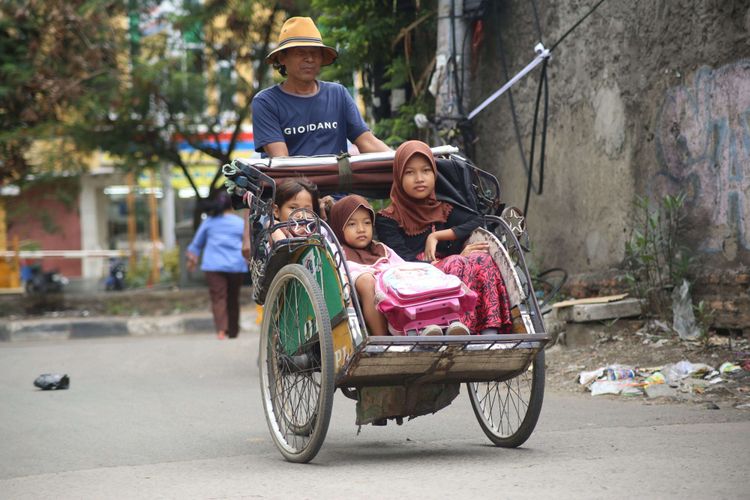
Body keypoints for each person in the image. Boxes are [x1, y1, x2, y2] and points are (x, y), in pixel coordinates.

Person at [375, 140, 513, 334]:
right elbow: (402, 260)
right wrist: (449, 260)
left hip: (454, 267)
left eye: (426, 171)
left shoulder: (443, 208)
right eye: (409, 172)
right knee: (457, 261)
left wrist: (437, 236)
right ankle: (457, 328)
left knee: (482, 258)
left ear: (434, 173)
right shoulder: (387, 218)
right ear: (398, 176)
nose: (419, 178)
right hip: (413, 278)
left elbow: (476, 219)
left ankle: (489, 331)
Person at [252, 16, 390, 158]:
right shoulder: (266, 102)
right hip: (290, 180)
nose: (310, 59)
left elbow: (367, 142)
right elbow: (281, 160)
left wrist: (401, 160)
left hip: (338, 180)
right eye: (301, 53)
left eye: (314, 53)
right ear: (282, 58)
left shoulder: (338, 94)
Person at [328, 195, 404, 336]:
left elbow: (404, 268)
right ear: (339, 227)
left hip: (392, 290)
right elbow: (336, 279)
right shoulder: (335, 251)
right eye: (352, 224)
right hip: (359, 288)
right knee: (367, 280)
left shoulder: (381, 249)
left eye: (367, 223)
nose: (361, 229)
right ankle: (381, 340)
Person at [186, 193, 247, 340]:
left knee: (218, 298)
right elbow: (247, 243)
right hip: (235, 265)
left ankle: (221, 329)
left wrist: (192, 262)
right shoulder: (239, 223)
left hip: (213, 266)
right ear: (231, 206)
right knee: (233, 298)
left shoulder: (209, 222)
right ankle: (233, 332)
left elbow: (196, 244)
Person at [270, 177, 321, 242]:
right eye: (293, 208)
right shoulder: (274, 236)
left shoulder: (321, 234)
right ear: (276, 211)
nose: (301, 215)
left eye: (307, 210)